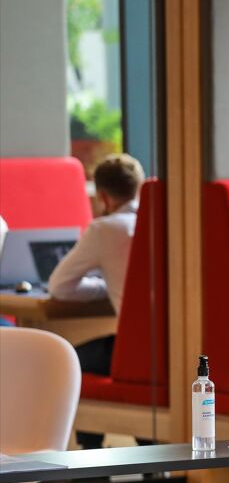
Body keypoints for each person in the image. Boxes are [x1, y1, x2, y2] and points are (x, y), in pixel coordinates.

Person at [48, 153, 144, 447]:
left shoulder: (106, 229)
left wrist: (105, 287)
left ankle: (90, 455)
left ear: (102, 196)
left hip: (133, 353)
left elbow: (59, 286)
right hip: (172, 353)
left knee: (63, 362)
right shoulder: (160, 223)